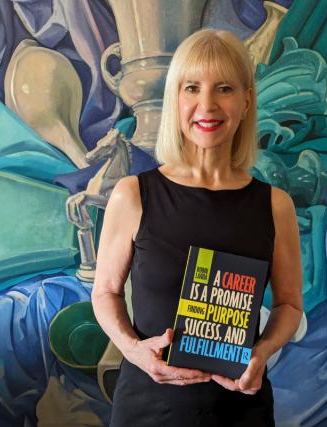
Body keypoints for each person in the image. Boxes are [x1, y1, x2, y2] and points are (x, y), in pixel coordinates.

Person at [91, 28, 303, 426]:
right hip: (147, 410)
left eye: (224, 88)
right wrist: (134, 351)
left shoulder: (275, 206)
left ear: (246, 101)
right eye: (192, 88)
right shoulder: (132, 195)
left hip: (241, 411)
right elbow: (104, 292)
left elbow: (290, 305)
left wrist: (263, 352)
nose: (207, 105)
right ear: (176, 99)